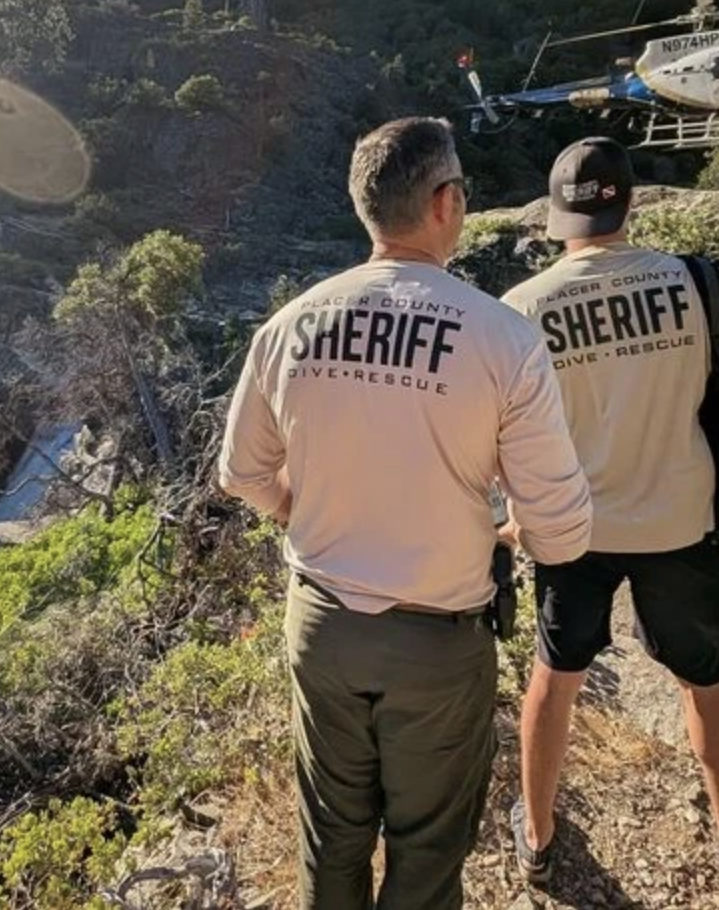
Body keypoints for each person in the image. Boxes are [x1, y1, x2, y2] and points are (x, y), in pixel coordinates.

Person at [219, 117, 594, 909]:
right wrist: (511, 531)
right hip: (438, 643)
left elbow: (240, 472)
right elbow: (562, 531)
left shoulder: (289, 326)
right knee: (426, 856)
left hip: (321, 626)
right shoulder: (503, 339)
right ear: (446, 202)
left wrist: (299, 512)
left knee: (331, 839)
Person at [500, 137, 719, 890]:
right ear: (630, 203)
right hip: (686, 527)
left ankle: (539, 839)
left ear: (557, 218)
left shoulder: (518, 312)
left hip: (572, 530)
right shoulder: (701, 285)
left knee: (555, 679)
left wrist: (514, 519)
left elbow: (497, 439)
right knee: (704, 685)